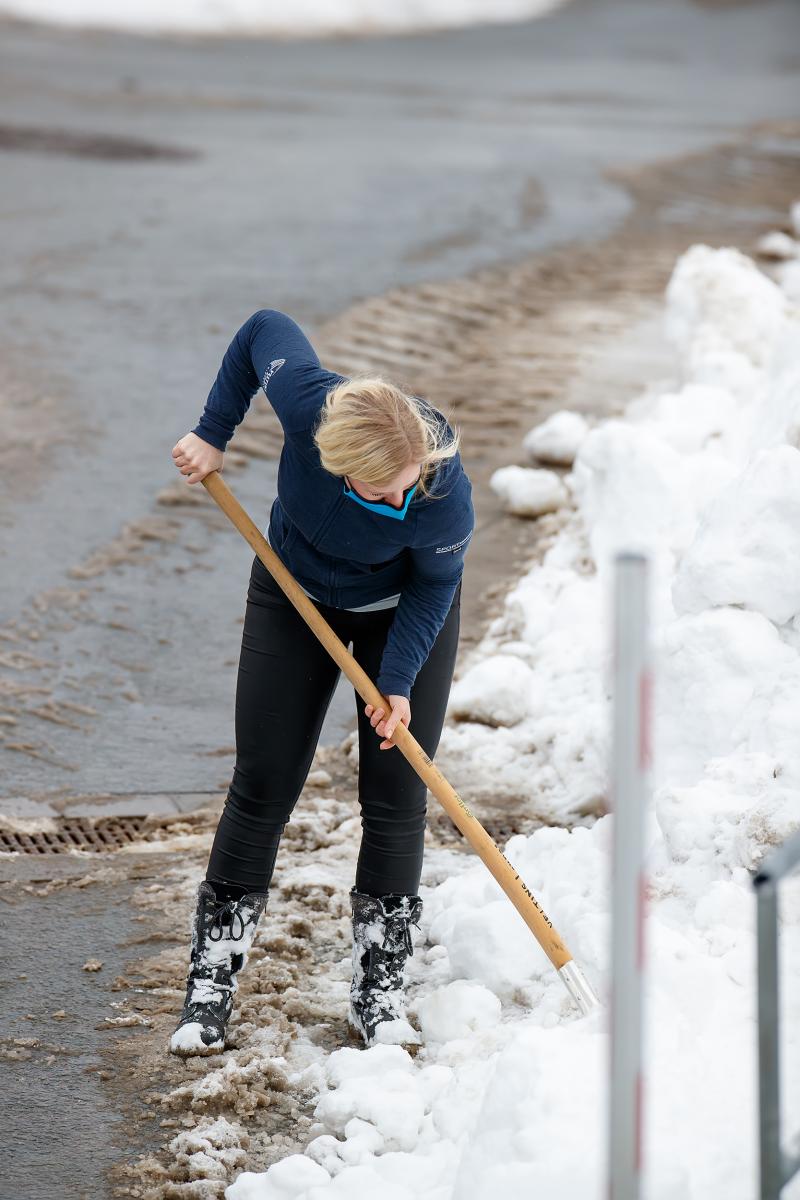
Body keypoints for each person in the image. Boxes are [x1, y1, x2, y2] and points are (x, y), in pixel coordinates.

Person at [168, 308, 474, 1056]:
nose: (393, 498)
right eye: (375, 489)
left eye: (402, 485)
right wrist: (214, 432)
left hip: (402, 613)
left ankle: (380, 992)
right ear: (334, 461)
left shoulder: (441, 492)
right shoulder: (309, 402)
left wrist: (396, 681)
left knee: (397, 797)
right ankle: (210, 987)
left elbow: (435, 589)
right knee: (264, 782)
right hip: (292, 591)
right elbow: (261, 328)